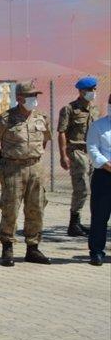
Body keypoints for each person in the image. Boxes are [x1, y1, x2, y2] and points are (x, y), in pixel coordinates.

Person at [0, 81, 53, 267]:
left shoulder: (41, 117)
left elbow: (45, 141)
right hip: (13, 169)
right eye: (31, 96)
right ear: (19, 98)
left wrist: (34, 157)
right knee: (10, 208)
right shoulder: (5, 119)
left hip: (35, 168)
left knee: (36, 208)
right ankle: (7, 247)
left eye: (36, 96)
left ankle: (32, 248)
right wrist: (1, 164)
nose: (35, 100)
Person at [58, 76, 101, 236]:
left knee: (92, 187)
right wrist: (63, 156)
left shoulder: (95, 109)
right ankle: (73, 223)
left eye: (94, 89)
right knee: (81, 187)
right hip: (77, 150)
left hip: (92, 151)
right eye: (90, 90)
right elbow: (62, 132)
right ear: (81, 91)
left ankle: (78, 222)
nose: (93, 92)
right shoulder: (69, 109)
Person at [86, 91, 111, 266]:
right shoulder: (98, 126)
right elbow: (93, 150)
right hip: (104, 176)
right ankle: (96, 252)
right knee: (100, 216)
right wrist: (108, 165)